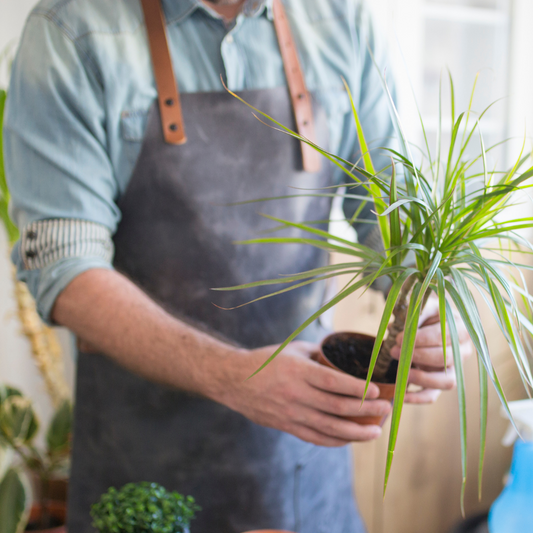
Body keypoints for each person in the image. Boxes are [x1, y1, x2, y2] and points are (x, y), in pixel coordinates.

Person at [4, 0, 472, 532]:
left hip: (300, 470)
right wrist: (235, 375)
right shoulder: (72, 32)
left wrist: (431, 306)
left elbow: (393, 215)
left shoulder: (341, 20)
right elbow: (66, 269)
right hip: (143, 472)